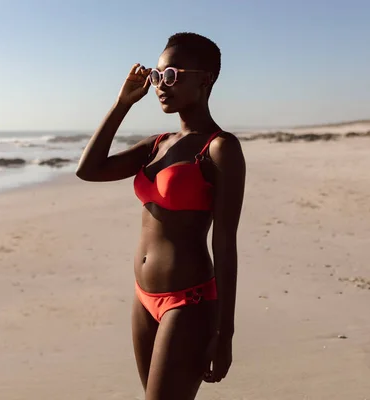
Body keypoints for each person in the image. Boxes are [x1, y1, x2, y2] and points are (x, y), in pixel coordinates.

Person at [76, 32, 246, 400]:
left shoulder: (220, 148)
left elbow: (225, 243)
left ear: (205, 79)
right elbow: (88, 169)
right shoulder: (157, 144)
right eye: (156, 76)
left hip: (189, 302)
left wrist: (224, 333)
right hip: (143, 298)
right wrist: (122, 104)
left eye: (172, 75)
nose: (160, 85)